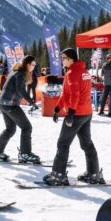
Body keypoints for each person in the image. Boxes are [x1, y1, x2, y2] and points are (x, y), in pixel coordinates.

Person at [43, 48, 102, 186]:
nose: (62, 60)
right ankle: (93, 173)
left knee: (63, 143)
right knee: (87, 144)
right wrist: (57, 108)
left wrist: (70, 113)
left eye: (63, 58)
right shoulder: (85, 72)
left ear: (70, 59)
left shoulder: (72, 73)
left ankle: (58, 175)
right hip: (86, 113)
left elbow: (75, 95)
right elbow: (66, 93)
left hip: (76, 114)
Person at [0, 55, 41, 164]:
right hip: (10, 104)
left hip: (3, 103)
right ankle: (25, 154)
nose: (33, 67)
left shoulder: (16, 71)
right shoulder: (21, 73)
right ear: (27, 64)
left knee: (10, 129)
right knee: (26, 127)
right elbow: (21, 89)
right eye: (32, 65)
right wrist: (31, 102)